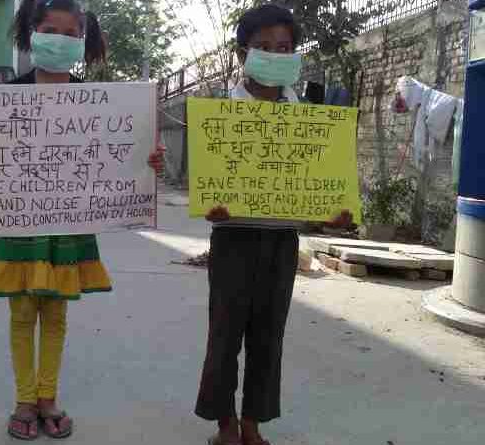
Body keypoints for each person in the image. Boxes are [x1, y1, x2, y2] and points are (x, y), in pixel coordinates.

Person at [0, 0, 165, 439]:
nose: (60, 39)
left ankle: (48, 398)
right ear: (32, 32)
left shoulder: (101, 106)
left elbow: (122, 156)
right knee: (22, 314)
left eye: (71, 33)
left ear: (83, 42)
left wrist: (150, 161)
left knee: (56, 315)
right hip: (18, 224)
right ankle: (25, 400)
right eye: (52, 28)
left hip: (68, 226)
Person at [195, 5, 351, 445]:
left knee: (269, 338)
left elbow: (320, 189)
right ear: (242, 52)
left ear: (296, 53)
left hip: (283, 242)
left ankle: (253, 424)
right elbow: (206, 188)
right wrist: (211, 207)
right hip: (233, 241)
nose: (274, 55)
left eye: (284, 47)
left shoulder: (309, 118)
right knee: (224, 336)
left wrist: (333, 215)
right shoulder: (221, 113)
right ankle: (224, 425)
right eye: (263, 47)